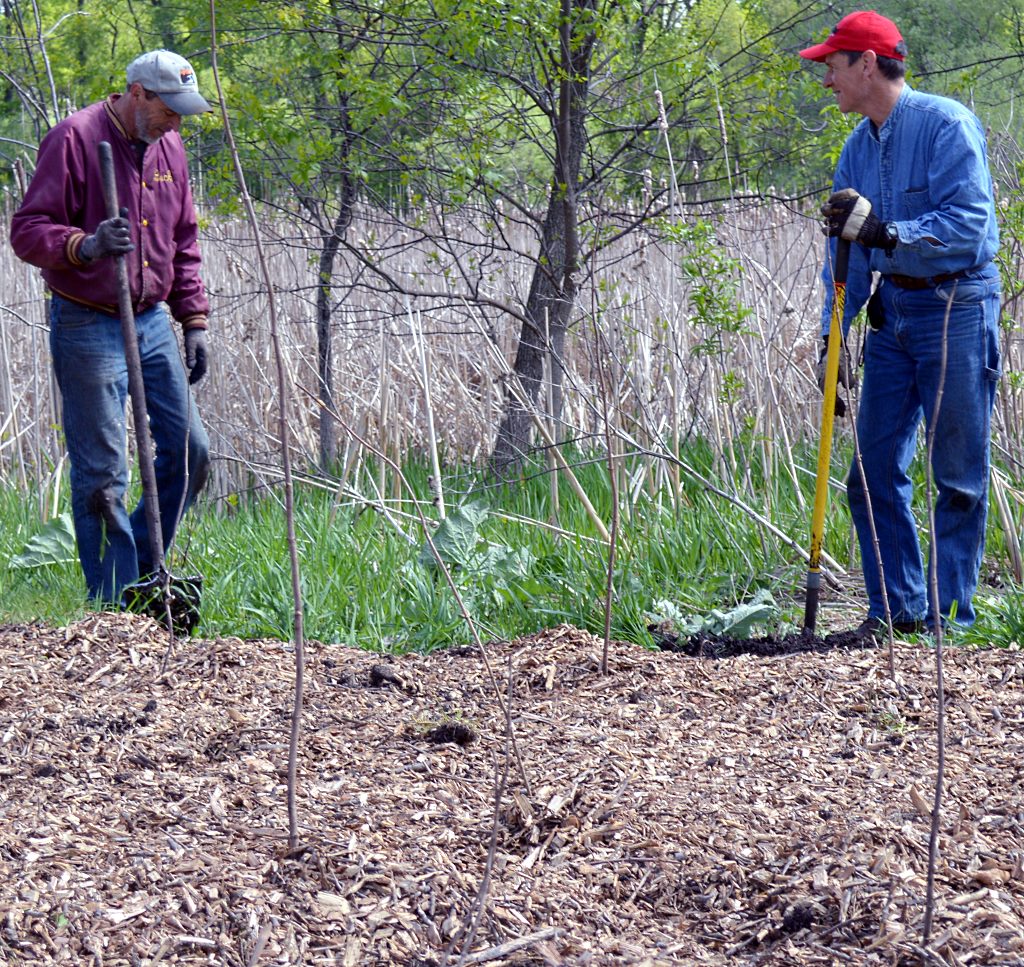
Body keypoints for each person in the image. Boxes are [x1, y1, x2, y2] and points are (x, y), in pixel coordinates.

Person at [799, 11, 1001, 636]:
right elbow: (851, 253)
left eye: (832, 64)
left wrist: (887, 231)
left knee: (958, 478)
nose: (825, 78)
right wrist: (834, 335)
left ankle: (950, 625)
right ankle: (896, 613)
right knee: (871, 474)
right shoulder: (856, 148)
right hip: (894, 318)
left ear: (866, 63)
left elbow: (969, 226)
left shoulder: (945, 126)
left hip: (957, 308)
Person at [10, 49, 214, 608]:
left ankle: (146, 576)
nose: (177, 121)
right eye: (169, 109)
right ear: (136, 93)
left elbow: (184, 239)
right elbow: (27, 231)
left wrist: (192, 318)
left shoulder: (170, 147)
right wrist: (85, 245)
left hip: (149, 321)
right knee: (103, 474)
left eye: (182, 112)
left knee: (192, 452)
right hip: (87, 321)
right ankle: (112, 603)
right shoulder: (73, 139)